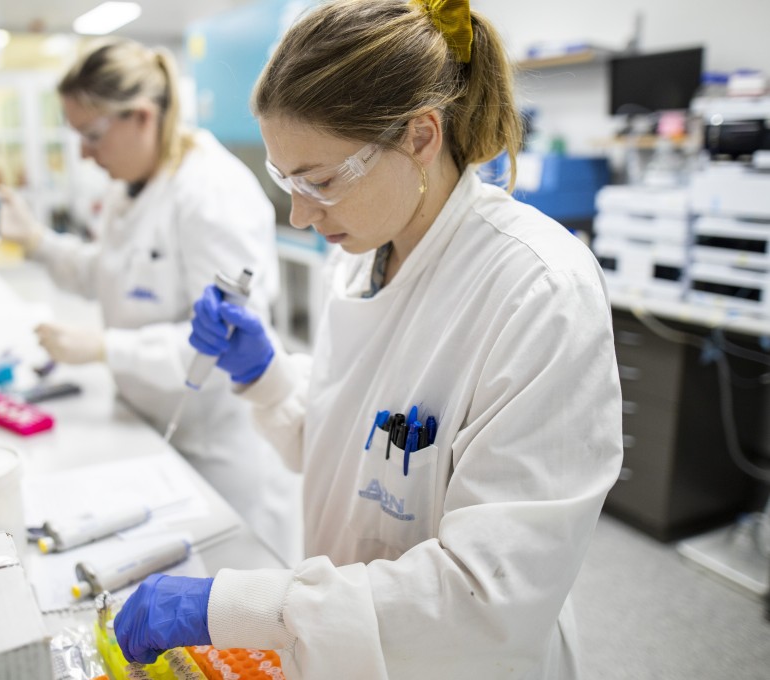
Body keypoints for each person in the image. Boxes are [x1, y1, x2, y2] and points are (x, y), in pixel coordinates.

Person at [113, 1, 624, 678]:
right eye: (285, 179)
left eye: (320, 181)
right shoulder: (360, 256)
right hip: (346, 646)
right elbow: (359, 460)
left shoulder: (538, 290)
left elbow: (489, 597)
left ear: (419, 136)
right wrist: (265, 374)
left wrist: (236, 606)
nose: (298, 213)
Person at [0, 37, 301, 563]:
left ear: (142, 117)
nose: (83, 152)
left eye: (92, 134)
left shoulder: (209, 190)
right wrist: (35, 240)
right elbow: (108, 273)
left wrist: (107, 347)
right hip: (154, 433)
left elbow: (228, 335)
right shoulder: (130, 185)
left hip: (220, 454)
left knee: (232, 611)